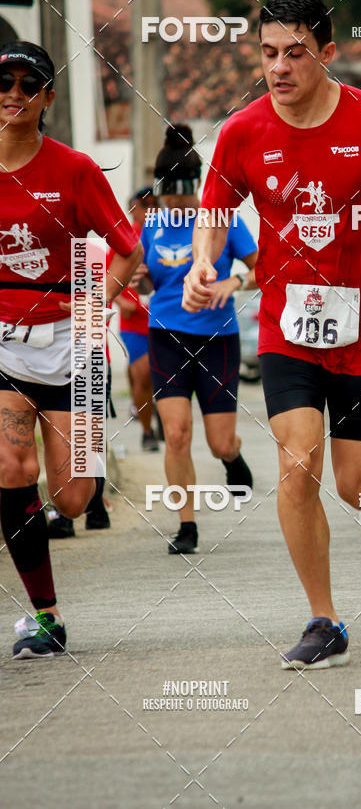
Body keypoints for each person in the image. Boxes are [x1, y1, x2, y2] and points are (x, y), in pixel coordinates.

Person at [182, 0, 361, 669]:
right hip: (287, 330)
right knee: (296, 462)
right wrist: (200, 263)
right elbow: (216, 208)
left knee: (354, 482)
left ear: (327, 52)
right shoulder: (244, 131)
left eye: (295, 53)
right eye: (268, 53)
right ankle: (325, 620)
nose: (279, 67)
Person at [0, 41, 142, 658]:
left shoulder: (75, 170)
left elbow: (128, 249)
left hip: (73, 340)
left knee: (74, 498)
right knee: (11, 466)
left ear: (47, 98)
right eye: (2, 83)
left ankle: (88, 461)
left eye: (27, 85)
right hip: (4, 343)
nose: (12, 94)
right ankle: (46, 615)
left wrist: (95, 303)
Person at [139, 124, 257, 555]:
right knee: (177, 434)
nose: (176, 202)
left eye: (184, 193)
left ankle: (232, 458)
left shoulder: (220, 220)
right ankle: (186, 525)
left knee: (219, 440)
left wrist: (236, 281)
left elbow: (263, 267)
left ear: (196, 186)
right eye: (168, 193)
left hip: (217, 338)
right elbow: (150, 279)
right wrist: (141, 279)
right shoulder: (151, 224)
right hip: (166, 336)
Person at [113, 187, 160, 452]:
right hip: (134, 323)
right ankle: (147, 430)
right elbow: (104, 275)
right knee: (141, 372)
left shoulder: (167, 232)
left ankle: (158, 414)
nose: (150, 208)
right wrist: (121, 301)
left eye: (155, 203)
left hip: (164, 319)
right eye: (144, 204)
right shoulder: (124, 235)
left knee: (156, 376)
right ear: (132, 208)